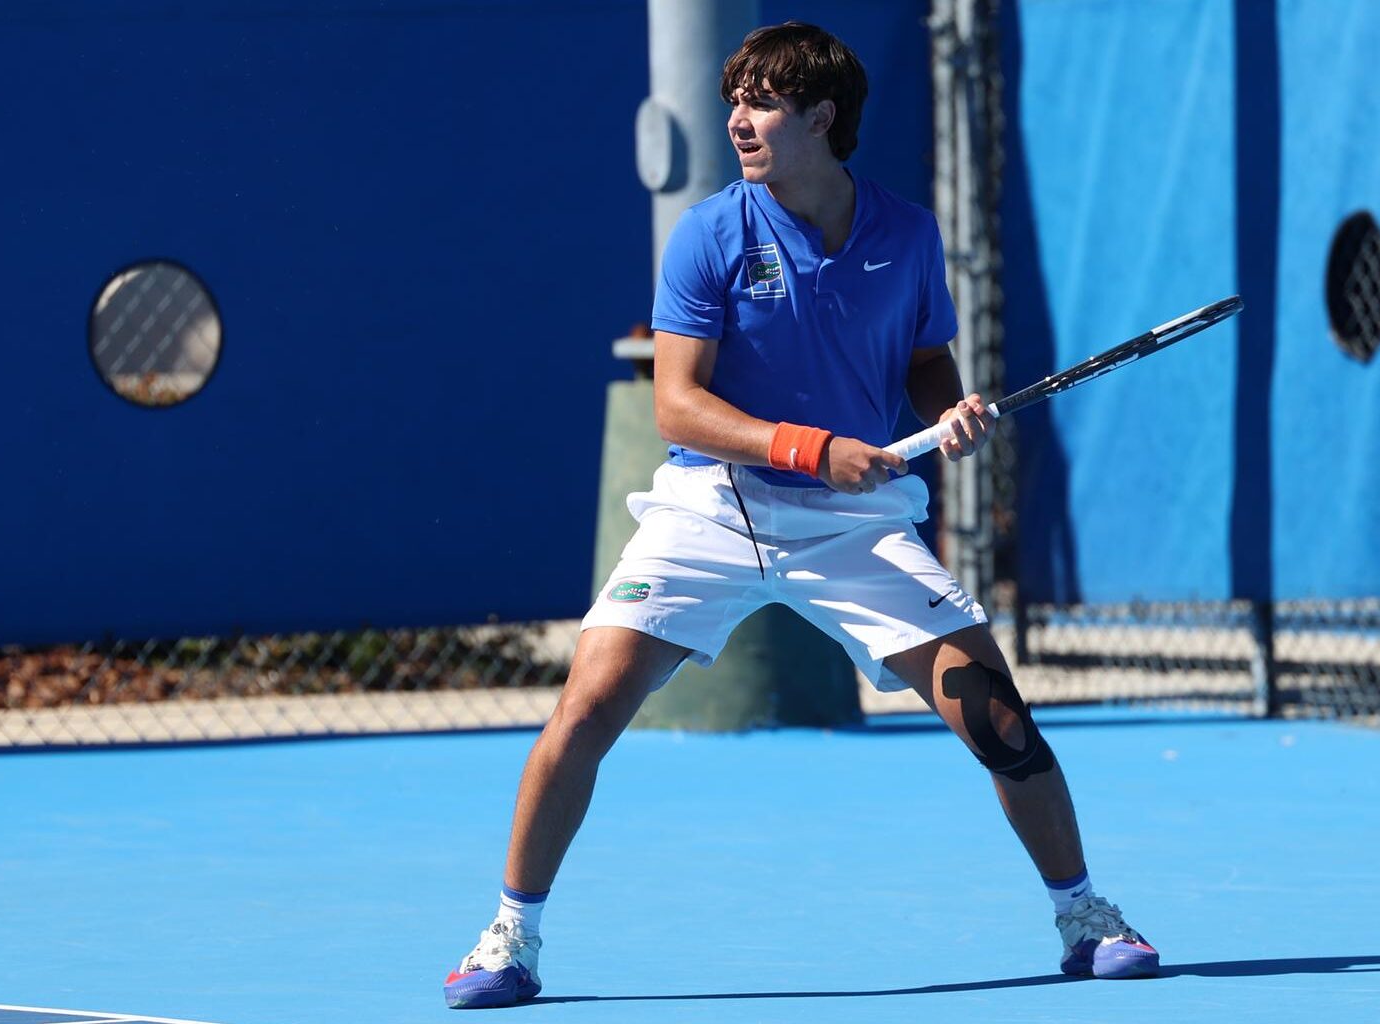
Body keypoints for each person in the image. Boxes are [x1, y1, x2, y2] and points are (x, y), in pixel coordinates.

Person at [444, 21, 1158, 1010]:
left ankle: (1084, 916)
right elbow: (677, 404)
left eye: (762, 100)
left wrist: (947, 410)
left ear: (820, 118)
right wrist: (811, 447)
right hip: (712, 506)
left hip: (855, 526)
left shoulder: (905, 233)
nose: (737, 115)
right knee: (587, 707)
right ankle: (508, 940)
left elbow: (922, 358)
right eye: (734, 95)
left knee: (998, 718)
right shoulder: (708, 233)